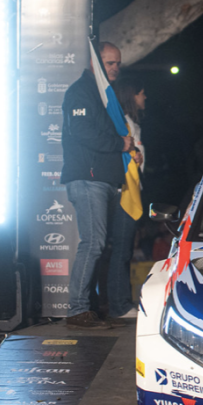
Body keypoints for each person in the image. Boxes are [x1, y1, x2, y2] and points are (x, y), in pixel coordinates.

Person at [60, 41, 134, 330]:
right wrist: (120, 143)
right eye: (109, 63)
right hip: (88, 179)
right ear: (94, 62)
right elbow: (82, 132)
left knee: (98, 245)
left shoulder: (103, 93)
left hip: (102, 180)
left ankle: (87, 307)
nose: (115, 68)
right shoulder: (82, 91)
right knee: (92, 243)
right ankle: (78, 310)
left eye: (118, 63)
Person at [105, 77, 147, 319]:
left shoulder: (132, 124)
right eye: (142, 93)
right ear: (132, 96)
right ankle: (119, 306)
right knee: (121, 249)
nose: (145, 97)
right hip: (123, 192)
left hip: (132, 190)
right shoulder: (121, 125)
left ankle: (120, 302)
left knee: (124, 249)